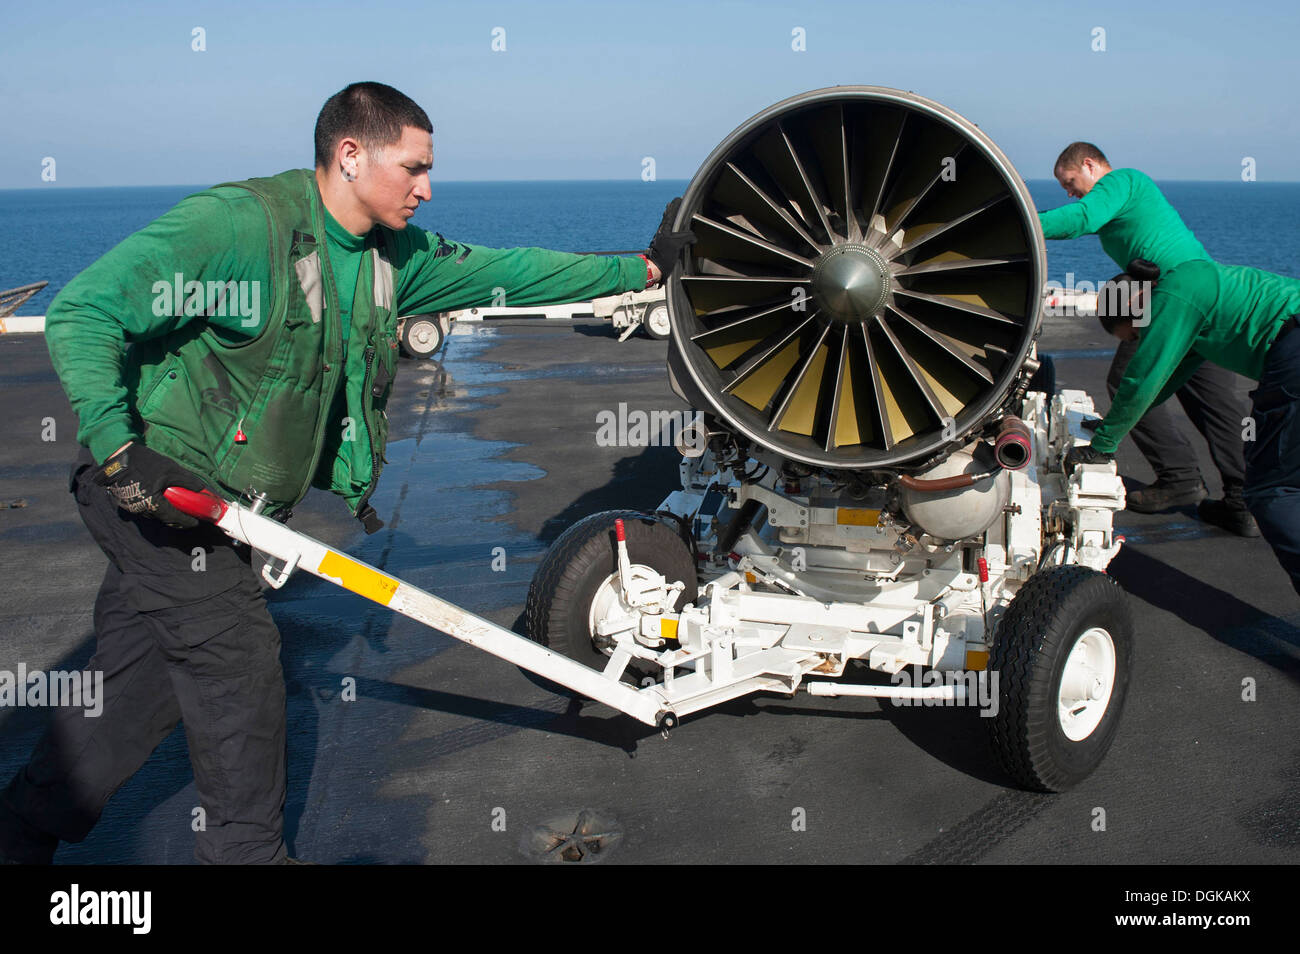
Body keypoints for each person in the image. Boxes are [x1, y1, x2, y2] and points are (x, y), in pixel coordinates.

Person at [0, 81, 696, 865]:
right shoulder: (240, 226)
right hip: (149, 488)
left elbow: (515, 270)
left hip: (223, 511)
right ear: (351, 154)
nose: (427, 188)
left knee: (138, 686)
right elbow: (87, 308)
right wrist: (120, 446)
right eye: (414, 168)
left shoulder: (392, 261)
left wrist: (638, 268)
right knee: (236, 664)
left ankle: (23, 828)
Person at [1039, 142, 1257, 535]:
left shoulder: (1123, 181)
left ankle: (1179, 478)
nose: (1069, 193)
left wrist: (1023, 222)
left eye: (1070, 182)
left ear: (1090, 165)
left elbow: (1081, 218)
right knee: (1215, 402)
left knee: (1129, 381)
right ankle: (1243, 502)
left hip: (1177, 300)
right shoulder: (1129, 195)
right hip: (1204, 298)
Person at [1067, 261, 1300, 595]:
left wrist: (1102, 445)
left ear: (1133, 305)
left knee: (1272, 492)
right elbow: (1166, 380)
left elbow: (1142, 376)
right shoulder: (1188, 286)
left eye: (1135, 333)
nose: (1139, 340)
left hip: (1292, 346)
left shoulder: (1169, 300)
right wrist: (1114, 425)